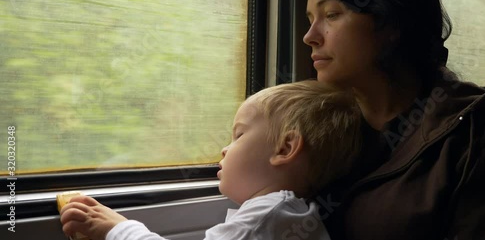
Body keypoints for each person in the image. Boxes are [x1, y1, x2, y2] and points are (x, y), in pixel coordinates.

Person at [299, 0, 485, 239]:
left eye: (331, 14)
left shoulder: (475, 131)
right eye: (310, 19)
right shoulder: (316, 126)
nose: (310, 37)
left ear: (391, 23)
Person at [60, 80, 363, 240]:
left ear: (284, 149)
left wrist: (118, 229)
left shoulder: (264, 220)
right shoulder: (288, 215)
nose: (224, 150)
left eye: (239, 135)